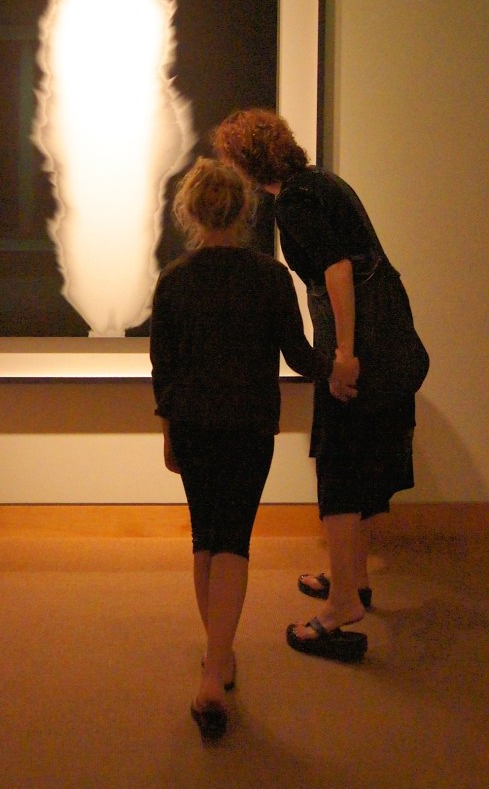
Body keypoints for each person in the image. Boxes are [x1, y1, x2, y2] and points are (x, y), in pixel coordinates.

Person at [149, 157, 354, 740]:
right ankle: (216, 666)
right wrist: (336, 371)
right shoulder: (270, 277)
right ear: (246, 210)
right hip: (247, 427)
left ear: (189, 212)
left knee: (204, 536)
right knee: (233, 537)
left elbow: (163, 369)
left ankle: (218, 659)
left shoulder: (174, 280)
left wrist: (168, 432)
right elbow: (297, 354)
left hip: (192, 425)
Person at [212, 108, 426, 661]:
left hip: (362, 344)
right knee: (354, 458)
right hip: (387, 335)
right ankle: (351, 580)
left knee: (335, 460)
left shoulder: (295, 201)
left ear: (246, 161)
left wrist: (346, 355)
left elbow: (337, 272)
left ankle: (342, 608)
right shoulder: (323, 182)